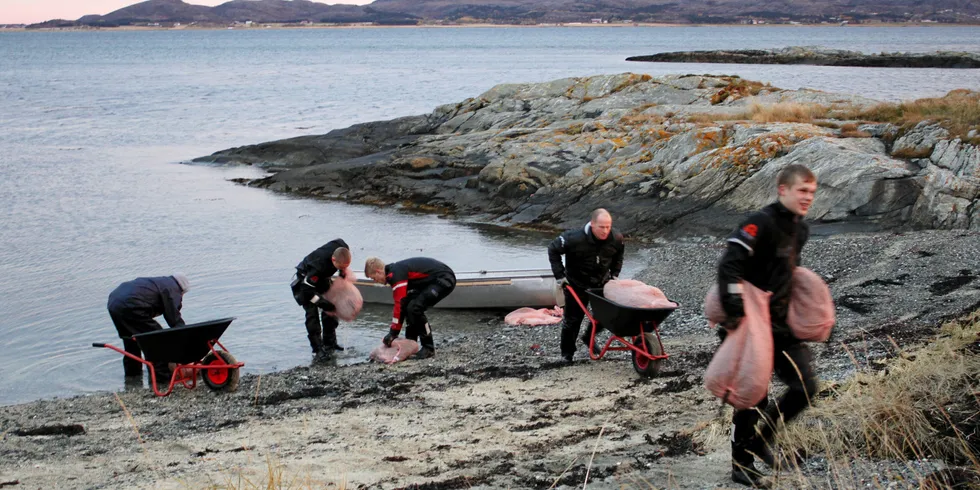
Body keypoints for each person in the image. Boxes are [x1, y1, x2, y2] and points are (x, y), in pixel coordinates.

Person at [716, 164, 819, 488]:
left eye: (812, 193)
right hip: (747, 323)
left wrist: (808, 314)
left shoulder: (799, 229)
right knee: (752, 398)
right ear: (783, 190)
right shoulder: (758, 223)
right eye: (802, 191)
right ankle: (740, 465)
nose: (808, 198)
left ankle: (762, 440)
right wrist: (735, 313)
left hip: (781, 325)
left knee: (806, 387)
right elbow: (728, 266)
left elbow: (790, 274)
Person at [547, 208, 625, 364]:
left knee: (606, 316)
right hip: (576, 283)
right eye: (601, 227)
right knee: (572, 320)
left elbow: (619, 256)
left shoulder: (616, 238)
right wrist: (560, 277)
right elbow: (553, 249)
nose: (605, 231)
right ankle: (567, 354)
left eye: (608, 227)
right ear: (592, 224)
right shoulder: (573, 238)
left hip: (601, 283)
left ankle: (589, 337)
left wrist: (615, 275)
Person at [364, 256, 456, 360]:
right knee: (409, 306)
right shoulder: (394, 273)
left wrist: (393, 333)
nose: (375, 281)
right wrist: (394, 333)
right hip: (431, 281)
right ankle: (411, 342)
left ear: (378, 272)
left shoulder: (396, 274)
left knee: (415, 308)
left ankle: (428, 348)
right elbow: (403, 305)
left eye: (373, 278)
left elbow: (399, 304)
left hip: (444, 279)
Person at [107, 273, 190, 382]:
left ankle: (132, 378)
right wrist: (186, 336)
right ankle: (162, 379)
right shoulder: (173, 288)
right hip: (132, 304)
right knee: (157, 339)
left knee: (131, 342)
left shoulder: (160, 282)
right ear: (182, 290)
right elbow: (173, 318)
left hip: (114, 303)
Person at [292, 239, 352, 362]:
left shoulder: (343, 248)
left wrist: (342, 273)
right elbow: (307, 292)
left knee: (332, 308)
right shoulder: (317, 266)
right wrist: (321, 303)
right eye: (339, 267)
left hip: (323, 278)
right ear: (333, 260)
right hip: (305, 284)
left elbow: (339, 245)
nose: (341, 269)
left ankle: (330, 343)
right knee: (312, 315)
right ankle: (317, 349)